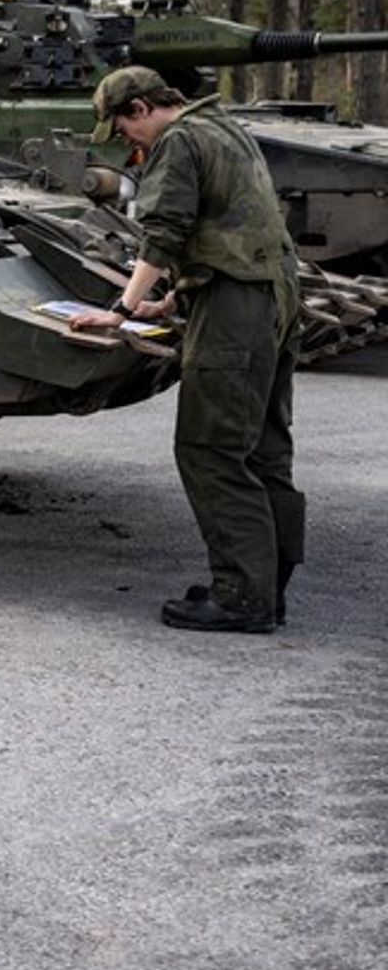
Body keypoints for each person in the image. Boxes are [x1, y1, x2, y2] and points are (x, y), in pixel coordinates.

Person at [67, 66, 304, 632]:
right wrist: (170, 302)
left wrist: (122, 309)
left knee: (211, 447)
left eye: (124, 128)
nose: (127, 140)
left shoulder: (176, 143)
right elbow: (233, 222)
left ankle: (243, 597)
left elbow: (165, 232)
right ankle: (268, 584)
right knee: (264, 447)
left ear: (143, 108)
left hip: (234, 310)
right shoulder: (222, 126)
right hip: (274, 294)